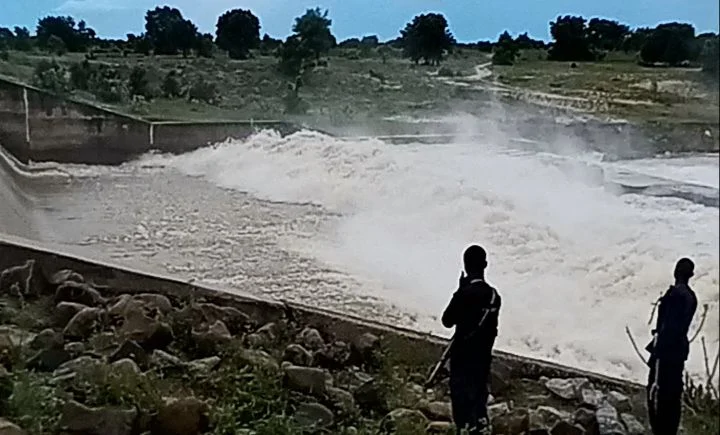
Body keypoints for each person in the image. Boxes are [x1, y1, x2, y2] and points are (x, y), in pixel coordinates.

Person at [441, 245, 501, 435]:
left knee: (461, 404)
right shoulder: (494, 296)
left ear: (465, 266)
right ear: (485, 264)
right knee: (478, 401)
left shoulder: (464, 294)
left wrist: (459, 291)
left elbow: (447, 320)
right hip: (483, 358)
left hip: (462, 358)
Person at [645, 258, 698, 435]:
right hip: (679, 350)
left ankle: (660, 430)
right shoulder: (691, 297)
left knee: (657, 393)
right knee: (673, 395)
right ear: (691, 275)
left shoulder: (675, 295)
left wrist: (658, 352)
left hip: (665, 352)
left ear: (675, 272)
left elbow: (668, 327)